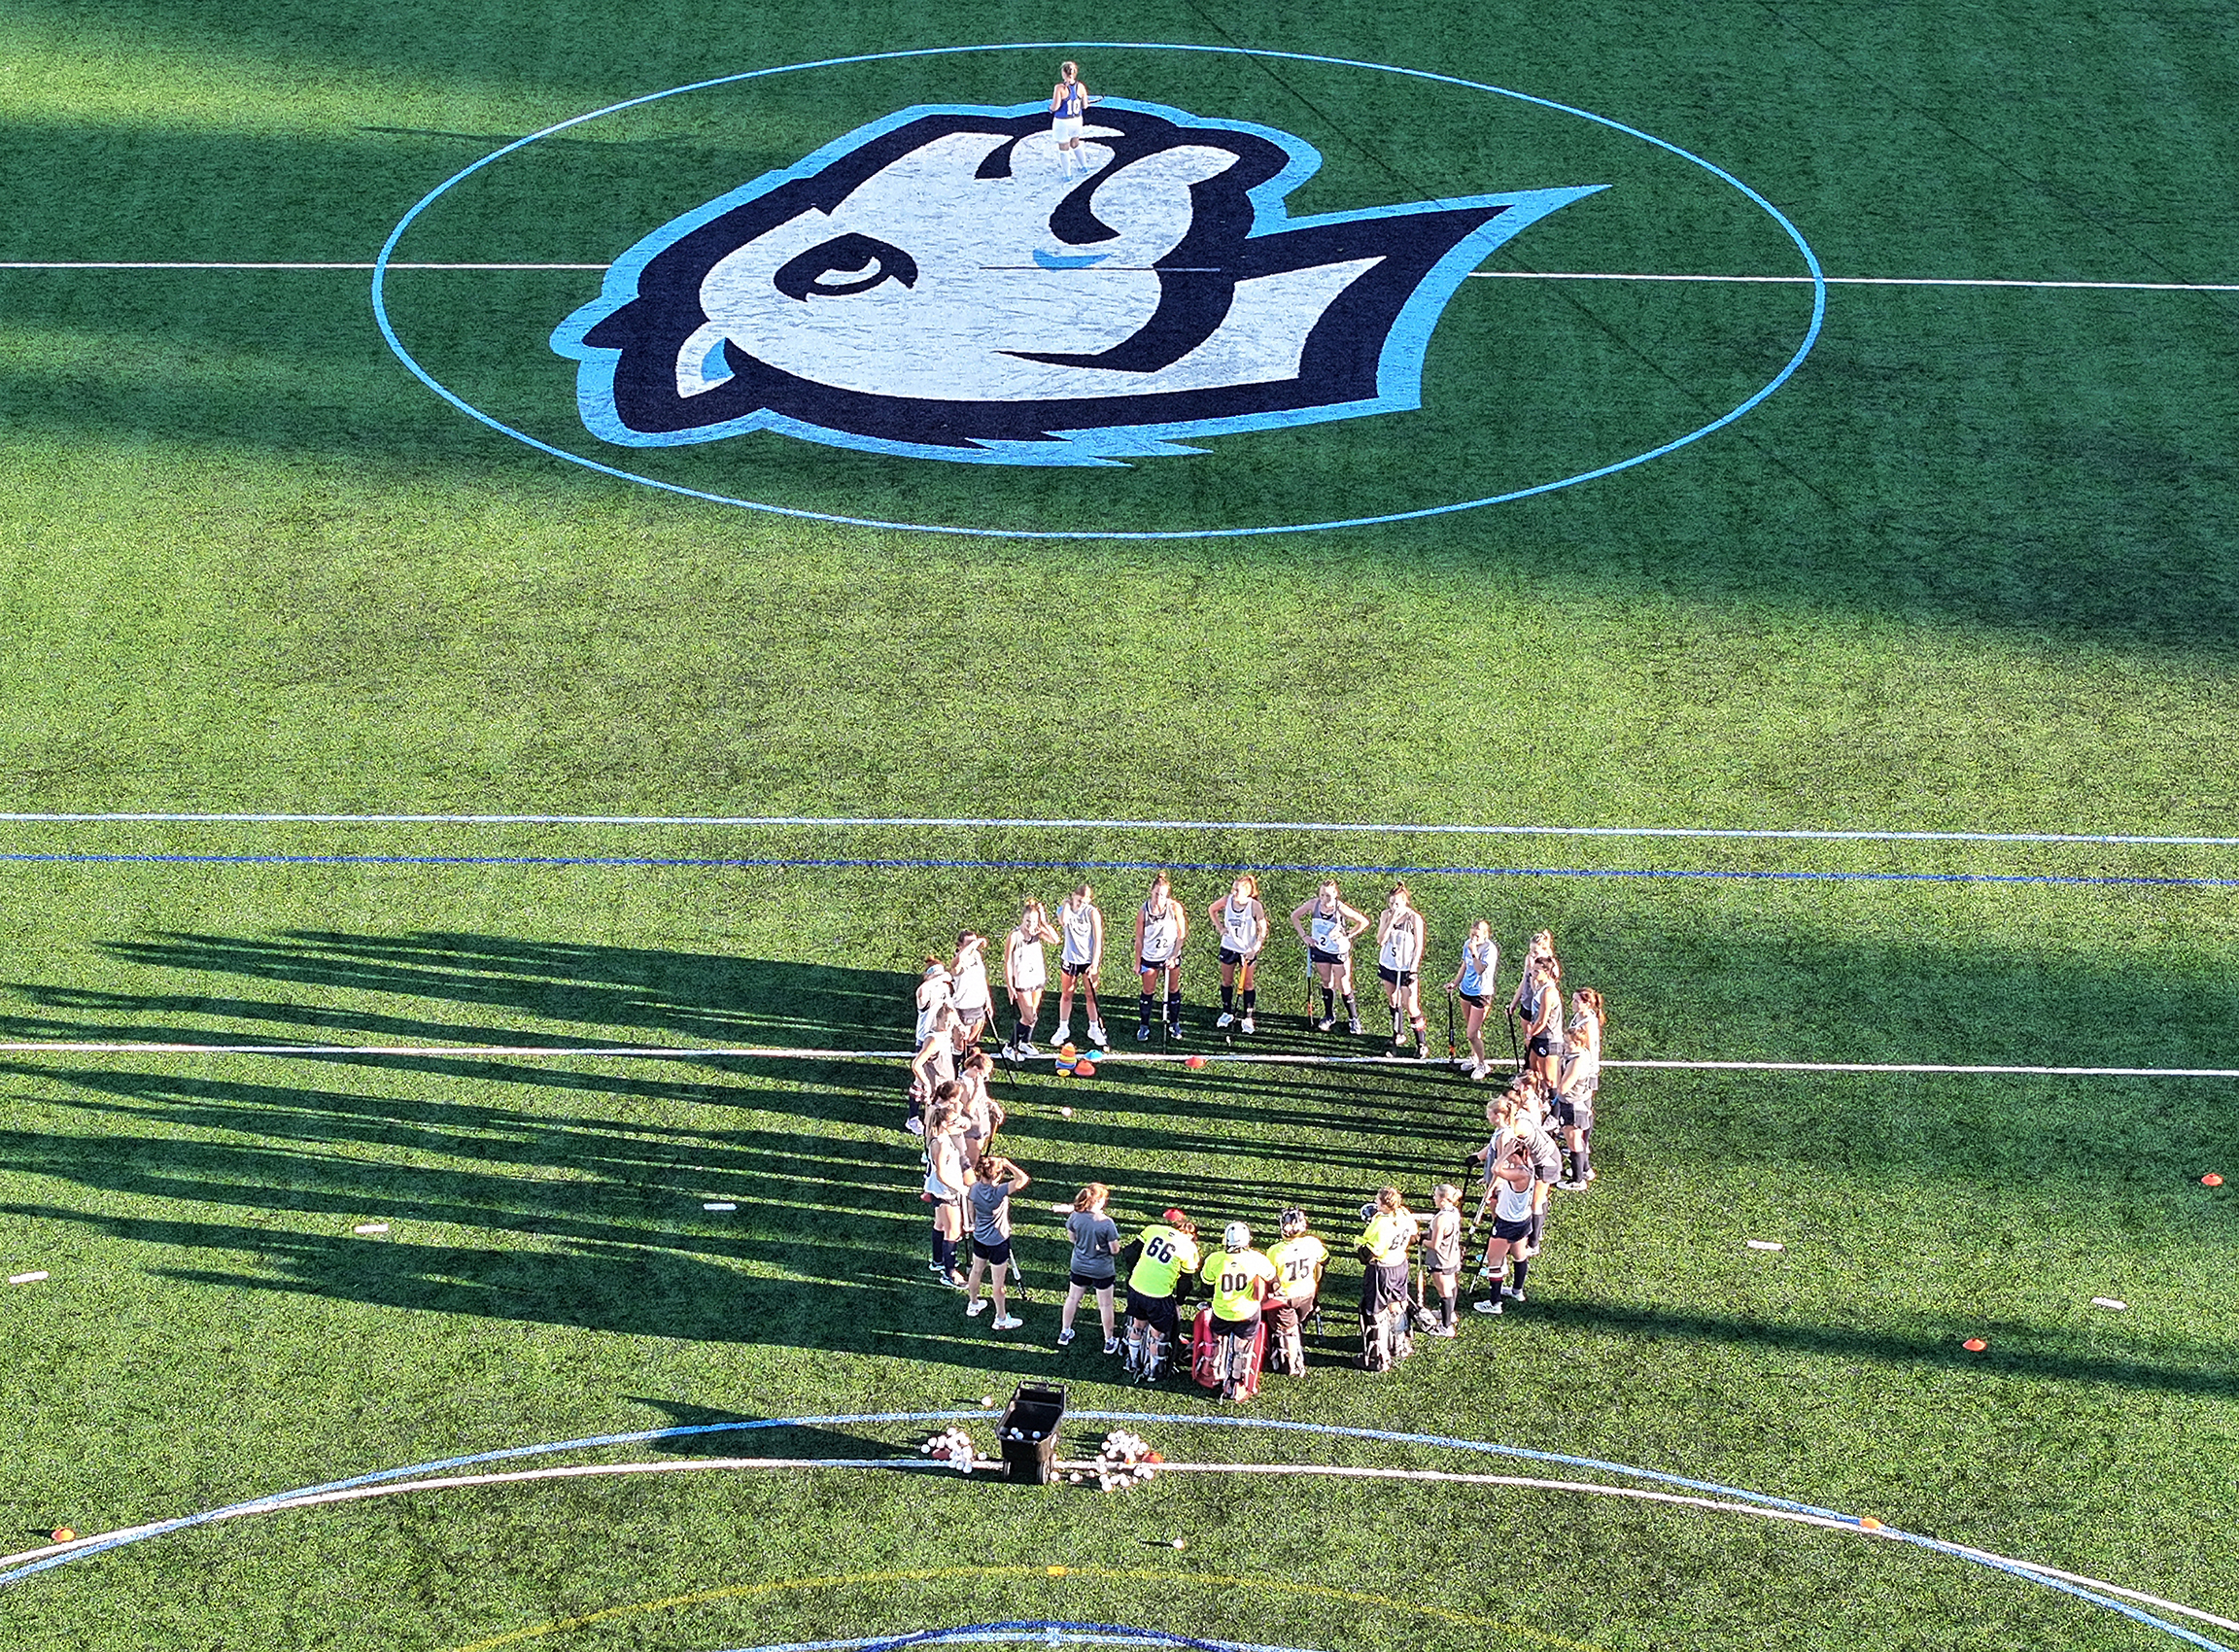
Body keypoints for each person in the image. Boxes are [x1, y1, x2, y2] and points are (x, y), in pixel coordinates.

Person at [1198, 1222, 1279, 1401]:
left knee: (1217, 1337)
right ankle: (1234, 1383)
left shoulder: (1215, 1259)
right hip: (1247, 1312)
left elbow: (1205, 1286)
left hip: (1222, 1310)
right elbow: (1274, 1283)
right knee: (1240, 1349)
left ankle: (1215, 1369)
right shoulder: (1257, 1259)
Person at [1120, 1208, 1200, 1380]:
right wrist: (1179, 1300)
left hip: (1136, 1286)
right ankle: (1154, 1370)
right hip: (1158, 1295)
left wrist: (1133, 1273)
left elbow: (1130, 1253)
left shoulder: (1153, 1229)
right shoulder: (1189, 1248)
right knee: (1158, 1334)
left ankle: (1132, 1361)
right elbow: (1185, 1282)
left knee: (1137, 1324)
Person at [962, 1153, 1030, 1330]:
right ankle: (1000, 1318)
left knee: (976, 1271)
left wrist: (974, 1223)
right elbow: (1023, 1179)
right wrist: (1008, 1163)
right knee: (998, 1283)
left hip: (980, 1238)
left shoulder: (974, 1188)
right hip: (998, 1241)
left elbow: (970, 1208)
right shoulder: (999, 1191)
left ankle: (973, 1303)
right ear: (998, 1175)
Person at [1291, 879, 1368, 1033]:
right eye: (1321, 895)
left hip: (1338, 952)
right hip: (1320, 950)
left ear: (1335, 894)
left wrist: (1347, 934)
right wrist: (1304, 936)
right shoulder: (1314, 904)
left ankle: (1353, 1018)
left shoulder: (1340, 909)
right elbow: (1295, 916)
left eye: (1327, 895)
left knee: (1344, 984)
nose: (1324, 899)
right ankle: (1329, 1016)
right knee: (1327, 981)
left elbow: (1363, 922)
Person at [1052, 1183, 1122, 1351]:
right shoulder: (1106, 1223)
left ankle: (1065, 1332)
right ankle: (1109, 1341)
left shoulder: (1076, 1216)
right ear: (1097, 1201)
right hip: (1102, 1269)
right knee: (1105, 1305)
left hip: (1079, 1265)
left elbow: (1072, 1239)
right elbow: (1115, 1249)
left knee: (1072, 1298)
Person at [1472, 1141, 1535, 1314]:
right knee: (1519, 1255)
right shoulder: (1528, 1166)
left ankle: (1494, 1303)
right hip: (1522, 1220)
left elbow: (1496, 1169)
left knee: (1494, 1261)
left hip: (1508, 1223)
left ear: (1515, 1154)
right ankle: (1517, 1291)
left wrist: (1505, 1152)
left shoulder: (1520, 1173)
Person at [1264, 1208, 1327, 1376]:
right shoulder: (1313, 1243)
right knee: (1299, 1323)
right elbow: (1322, 1263)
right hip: (1307, 1292)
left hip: (1285, 1297)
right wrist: (1315, 1284)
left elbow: (1269, 1278)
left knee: (1286, 1331)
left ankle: (1292, 1364)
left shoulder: (1275, 1251)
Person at [1354, 1187, 1416, 1355]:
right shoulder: (1404, 1213)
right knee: (1398, 1304)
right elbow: (1414, 1237)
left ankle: (1378, 1354)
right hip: (1401, 1265)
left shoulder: (1381, 1223)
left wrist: (1359, 1245)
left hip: (1382, 1270)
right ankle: (1400, 1345)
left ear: (1383, 1204)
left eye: (1377, 1200)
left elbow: (1368, 1255)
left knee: (1375, 1310)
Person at [1050, 883, 1109, 1050]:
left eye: (1084, 901)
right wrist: (1067, 905)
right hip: (1070, 958)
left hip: (1088, 960)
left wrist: (1095, 962)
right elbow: (1063, 922)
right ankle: (1063, 1028)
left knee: (1091, 996)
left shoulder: (1092, 913)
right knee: (1067, 995)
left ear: (1089, 900)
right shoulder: (1064, 909)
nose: (1081, 904)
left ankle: (1094, 1028)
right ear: (1073, 896)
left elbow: (1098, 939)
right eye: (1078, 900)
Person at [1207, 874, 1269, 1034]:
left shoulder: (1254, 906)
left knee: (1247, 983)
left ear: (1247, 893)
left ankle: (1248, 1017)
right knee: (1227, 981)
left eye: (1237, 890)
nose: (1233, 892)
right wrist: (1220, 928)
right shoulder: (1227, 900)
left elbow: (1263, 929)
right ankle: (1227, 1012)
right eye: (1233, 888)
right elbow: (1212, 909)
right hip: (1228, 947)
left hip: (1246, 951)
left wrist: (1255, 948)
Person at [922, 1085, 971, 1289]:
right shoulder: (941, 1144)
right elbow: (942, 1173)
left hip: (938, 1190)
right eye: (953, 1123)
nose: (957, 1126)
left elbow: (965, 1126)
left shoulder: (941, 1136)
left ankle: (938, 1261)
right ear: (944, 1124)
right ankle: (949, 1273)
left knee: (940, 1226)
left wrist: (960, 1118)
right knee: (953, 1232)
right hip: (946, 1192)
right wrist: (960, 1188)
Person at [1002, 898, 1062, 1059]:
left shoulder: (1038, 932)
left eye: (1033, 921)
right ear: (1022, 919)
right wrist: (1009, 985)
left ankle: (1025, 1042)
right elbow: (1007, 961)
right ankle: (1010, 1046)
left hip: (1036, 977)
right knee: (1029, 1016)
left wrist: (1043, 922)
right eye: (1027, 921)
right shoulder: (1015, 936)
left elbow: (1056, 940)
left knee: (1033, 1013)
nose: (1030, 925)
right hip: (1022, 980)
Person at [1375, 881, 1430, 1057]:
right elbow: (1380, 940)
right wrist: (1391, 920)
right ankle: (1398, 1034)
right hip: (1388, 965)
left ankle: (1421, 1043)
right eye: (1391, 903)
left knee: (1410, 1005)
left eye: (1397, 903)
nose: (1393, 906)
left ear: (1405, 901)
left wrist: (1413, 969)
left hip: (1405, 967)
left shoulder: (1414, 918)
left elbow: (1419, 946)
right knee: (1393, 1000)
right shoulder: (1386, 915)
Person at [1558, 987, 1604, 1189]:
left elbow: (1592, 1051)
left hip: (1585, 1076)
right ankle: (1582, 1165)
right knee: (1581, 1118)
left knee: (1581, 1120)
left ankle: (1581, 1170)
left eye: (1577, 1001)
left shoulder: (1589, 1025)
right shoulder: (1580, 1017)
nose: (1573, 1003)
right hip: (1581, 1073)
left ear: (1587, 1003)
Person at [1133, 872, 1188, 1042]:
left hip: (1170, 955)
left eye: (1163, 895)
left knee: (1173, 988)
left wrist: (1174, 955)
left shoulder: (1174, 908)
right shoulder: (1144, 911)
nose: (1159, 898)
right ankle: (1144, 1025)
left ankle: (1174, 1023)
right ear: (1151, 892)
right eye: (1156, 894)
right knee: (1148, 990)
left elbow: (1181, 934)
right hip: (1150, 956)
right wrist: (1137, 962)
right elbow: (1139, 939)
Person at [1444, 921, 1499, 1079]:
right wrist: (1455, 983)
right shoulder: (1468, 944)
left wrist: (1475, 952)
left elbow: (1479, 969)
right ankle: (1474, 1057)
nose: (1473, 938)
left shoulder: (1489, 949)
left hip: (1481, 993)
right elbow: (1465, 965)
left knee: (1471, 1033)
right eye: (1472, 934)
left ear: (1485, 935)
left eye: (1477, 935)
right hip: (1466, 991)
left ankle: (1483, 1065)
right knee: (1472, 1028)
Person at [905, 998, 963, 1134]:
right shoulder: (933, 1040)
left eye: (951, 1022)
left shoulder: (946, 1032)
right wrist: (927, 1084)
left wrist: (960, 1029)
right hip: (938, 1086)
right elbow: (916, 1064)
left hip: (946, 1081)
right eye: (946, 1022)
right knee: (935, 1122)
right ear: (938, 1019)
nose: (949, 1025)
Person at [1516, 953, 1565, 1091]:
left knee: (1549, 1079)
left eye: (1537, 971)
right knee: (1533, 1069)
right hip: (1539, 1035)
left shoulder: (1548, 992)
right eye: (1533, 970)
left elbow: (1543, 1020)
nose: (1533, 973)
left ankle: (1554, 1110)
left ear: (1547, 972)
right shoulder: (1539, 986)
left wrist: (1529, 1035)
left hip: (1549, 1039)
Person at [1421, 1183, 1464, 1336]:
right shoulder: (1454, 1212)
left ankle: (1446, 1327)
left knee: (1444, 1291)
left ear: (1443, 1199)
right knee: (1452, 1286)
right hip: (1452, 1255)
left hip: (1441, 1259)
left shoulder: (1441, 1219)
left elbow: (1434, 1244)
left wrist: (1419, 1239)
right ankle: (1449, 1313)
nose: (1434, 1198)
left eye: (1436, 1195)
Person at [1049, 59, 1099, 178]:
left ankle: (1068, 175)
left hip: (1062, 122)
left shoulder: (1059, 88)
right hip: (1077, 120)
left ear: (1064, 73)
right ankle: (1084, 166)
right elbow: (1085, 105)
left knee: (1064, 148)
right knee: (1075, 143)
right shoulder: (1081, 86)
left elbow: (1055, 106)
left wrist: (1050, 109)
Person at [955, 1049, 1003, 1161]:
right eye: (984, 1074)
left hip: (982, 1124)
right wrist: (976, 1090)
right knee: (971, 1162)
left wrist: (994, 1106)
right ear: (975, 1069)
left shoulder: (978, 1080)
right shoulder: (961, 1085)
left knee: (978, 1157)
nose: (986, 1077)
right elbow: (968, 1110)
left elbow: (983, 1098)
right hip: (971, 1129)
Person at [949, 930, 994, 1047]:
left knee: (973, 1040)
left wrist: (987, 1001)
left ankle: (969, 1063)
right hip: (964, 1007)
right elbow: (957, 962)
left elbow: (982, 979)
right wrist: (976, 943)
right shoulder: (958, 962)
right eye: (969, 943)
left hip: (978, 1005)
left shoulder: (976, 956)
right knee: (960, 1043)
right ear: (960, 946)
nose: (973, 946)